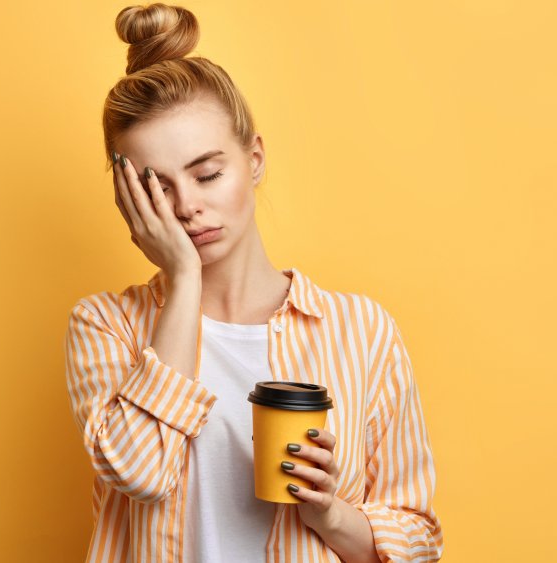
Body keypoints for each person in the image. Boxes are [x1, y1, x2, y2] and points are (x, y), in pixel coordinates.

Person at [65, 4, 443, 561]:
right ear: (129, 201)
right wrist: (184, 277)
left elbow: (418, 539)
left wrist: (331, 512)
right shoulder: (106, 326)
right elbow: (141, 473)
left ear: (255, 159)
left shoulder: (364, 332)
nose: (188, 206)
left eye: (208, 174)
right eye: (157, 188)